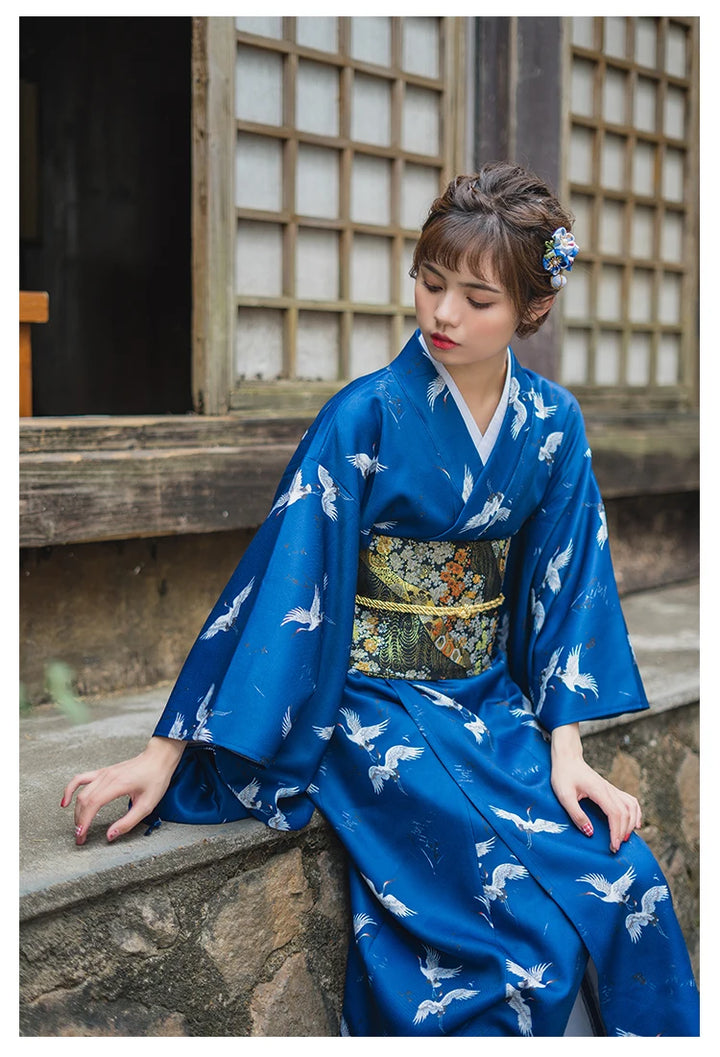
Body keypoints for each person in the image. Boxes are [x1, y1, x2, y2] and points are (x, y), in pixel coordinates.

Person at [62, 162, 699, 1037]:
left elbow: (567, 585)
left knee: (630, 882)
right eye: (430, 283)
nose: (442, 313)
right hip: (370, 702)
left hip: (486, 700)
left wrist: (569, 749)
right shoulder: (362, 416)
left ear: (531, 309)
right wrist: (164, 753)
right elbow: (281, 581)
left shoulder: (552, 425)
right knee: (519, 931)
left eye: (477, 298)